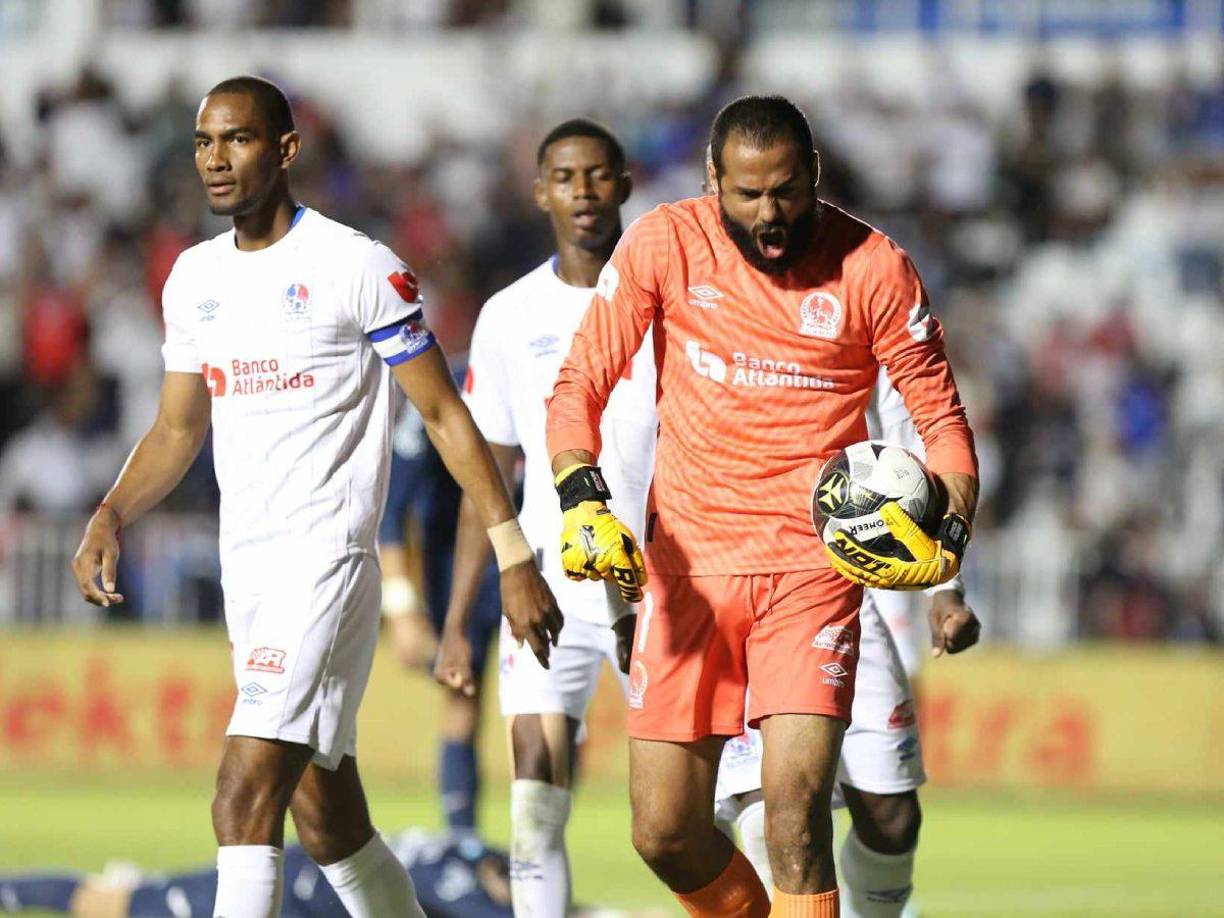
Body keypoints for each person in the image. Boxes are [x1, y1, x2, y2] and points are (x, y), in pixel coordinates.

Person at [69, 76, 560, 918]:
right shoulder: (192, 280)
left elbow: (444, 415)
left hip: (326, 565)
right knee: (328, 820)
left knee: (240, 793)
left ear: (286, 149)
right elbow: (179, 431)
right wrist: (110, 512)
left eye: (239, 140)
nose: (216, 159)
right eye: (204, 142)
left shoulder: (355, 266)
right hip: (251, 574)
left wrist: (513, 551)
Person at [545, 95, 979, 915]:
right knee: (664, 832)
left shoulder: (876, 267)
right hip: (686, 573)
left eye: (786, 192)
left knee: (794, 819)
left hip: (808, 575)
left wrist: (948, 541)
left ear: (814, 175)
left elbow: (943, 425)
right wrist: (580, 498)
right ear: (713, 180)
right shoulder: (664, 244)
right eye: (747, 196)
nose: (769, 214)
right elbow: (578, 387)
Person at [433, 119, 654, 917]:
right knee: (533, 798)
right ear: (540, 192)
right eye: (565, 176)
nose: (584, 192)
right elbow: (487, 479)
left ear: (625, 183)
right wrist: (461, 617)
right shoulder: (507, 315)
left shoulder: (669, 302)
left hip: (662, 590)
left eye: (599, 175)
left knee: (686, 810)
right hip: (549, 593)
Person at [713, 368, 981, 918]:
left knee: (893, 817)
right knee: (768, 814)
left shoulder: (855, 319)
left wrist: (944, 584)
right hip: (736, 582)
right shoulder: (708, 315)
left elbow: (916, 436)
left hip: (841, 588)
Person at [378, 359, 504, 837]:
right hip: (456, 566)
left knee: (549, 714)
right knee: (461, 696)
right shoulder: (451, 385)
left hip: (538, 555)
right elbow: (393, 504)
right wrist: (402, 606)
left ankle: (538, 850)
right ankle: (462, 843)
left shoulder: (558, 376)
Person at [0, 832, 512, 918]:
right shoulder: (462, 886)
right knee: (112, 903)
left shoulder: (465, 850)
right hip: (286, 887)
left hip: (297, 874)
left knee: (121, 898)